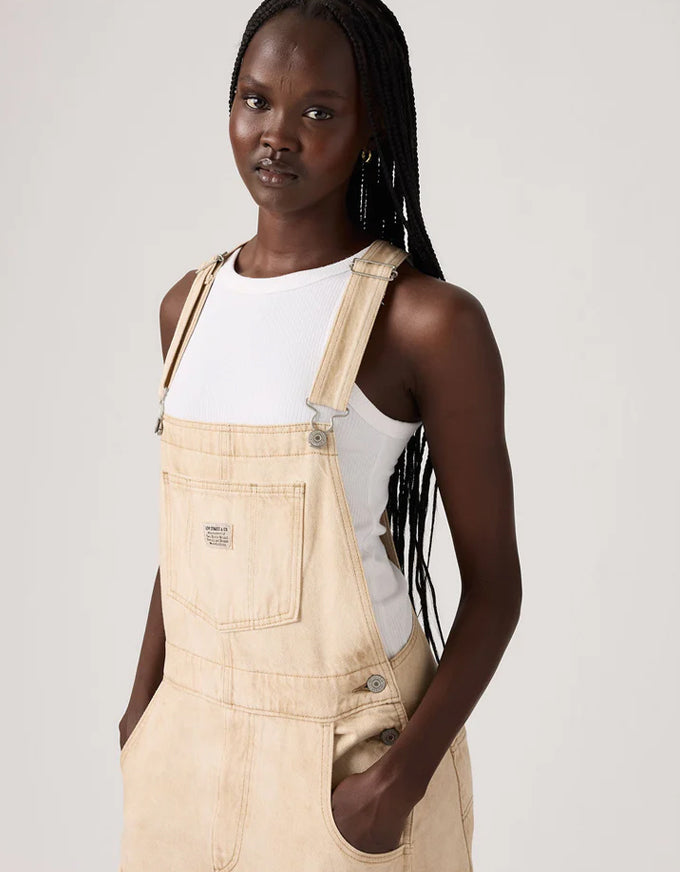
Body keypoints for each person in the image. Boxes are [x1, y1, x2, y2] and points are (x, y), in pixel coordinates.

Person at [118, 2, 522, 869]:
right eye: (257, 100)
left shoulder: (424, 323)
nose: (277, 135)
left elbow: (495, 591)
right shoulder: (184, 310)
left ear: (369, 124)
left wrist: (401, 779)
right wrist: (140, 710)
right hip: (182, 758)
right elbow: (190, 536)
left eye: (318, 111)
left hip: (348, 763)